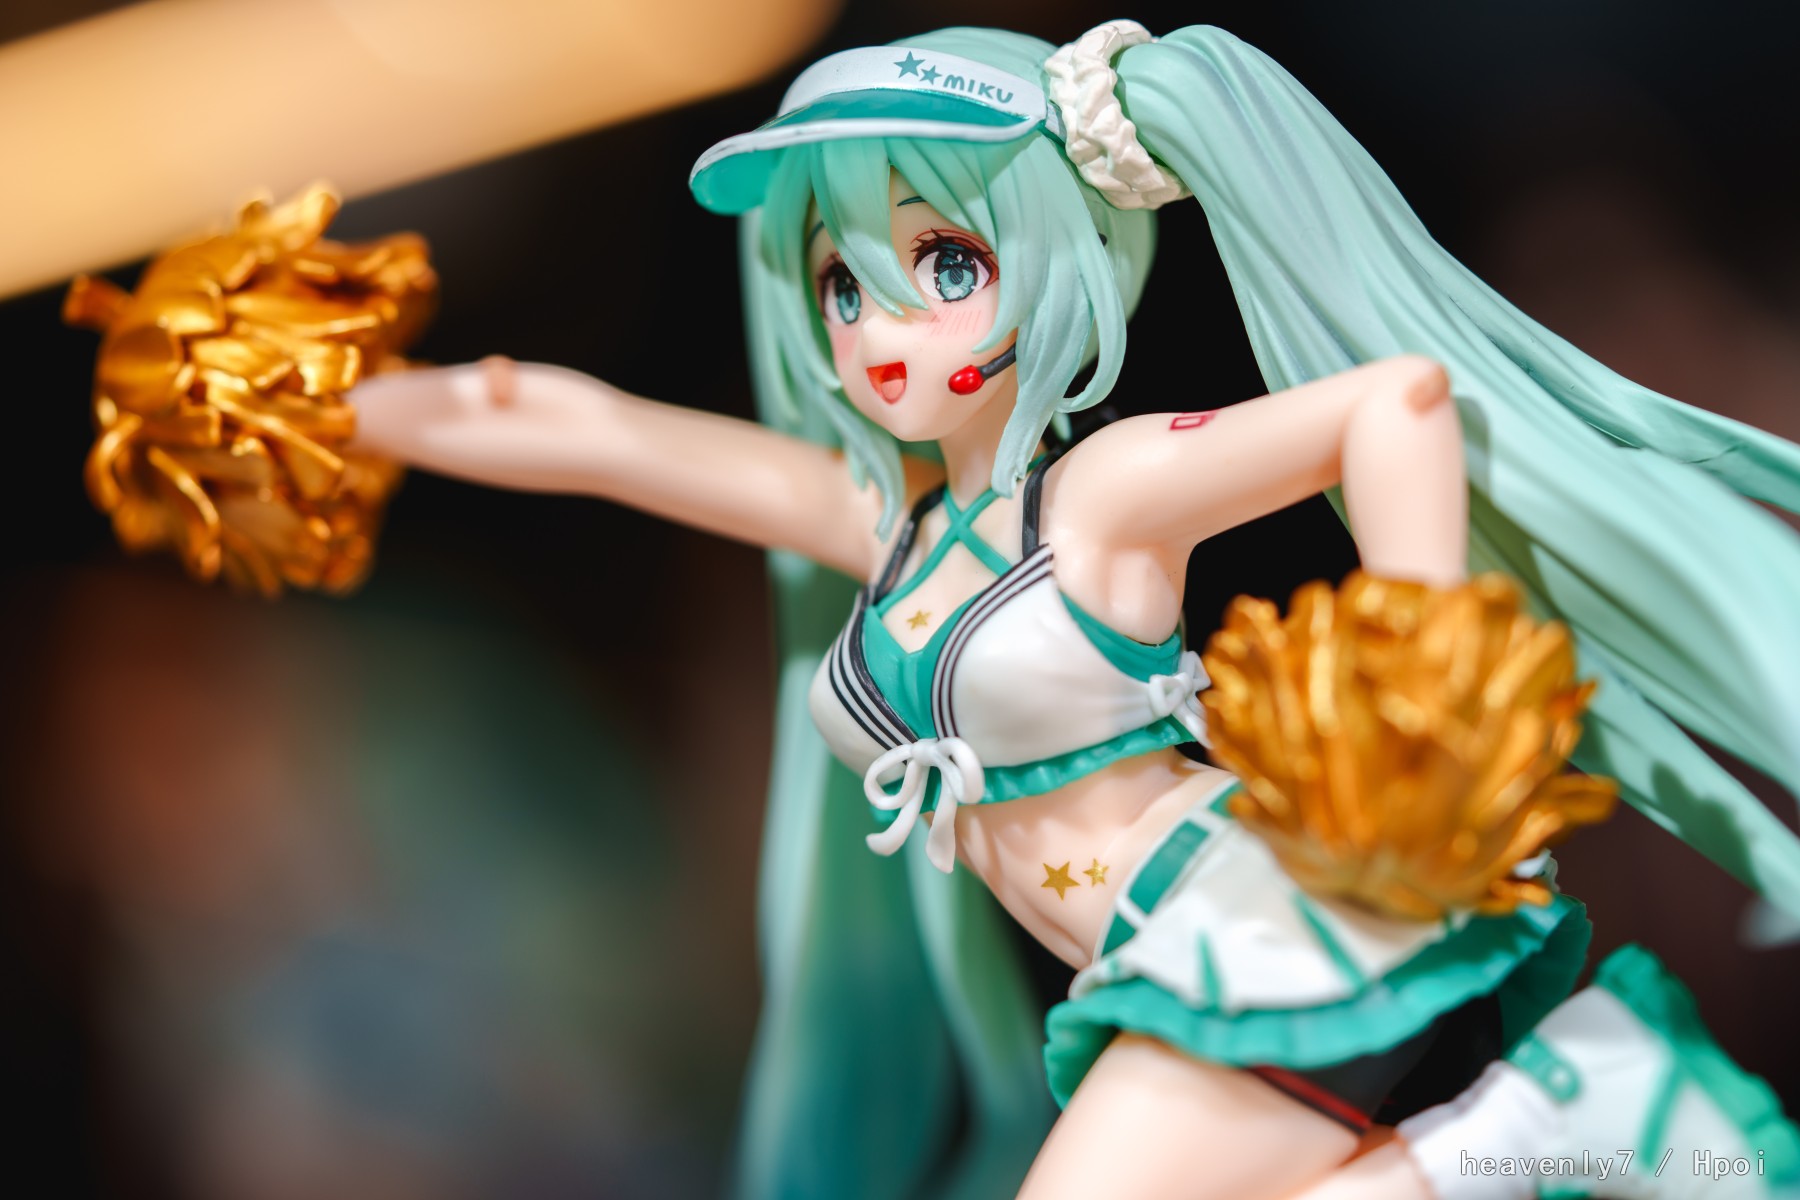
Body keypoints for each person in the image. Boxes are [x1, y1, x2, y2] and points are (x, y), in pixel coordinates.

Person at [346, 21, 1800, 1200]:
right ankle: (1559, 1121)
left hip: (1251, 915)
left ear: (1049, 260)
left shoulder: (1097, 497)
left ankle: (1552, 1124)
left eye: (947, 266)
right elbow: (594, 434)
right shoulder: (883, 527)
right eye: (846, 283)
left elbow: (1395, 404)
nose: (885, 330)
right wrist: (326, 404)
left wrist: (1416, 690)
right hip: (1143, 969)